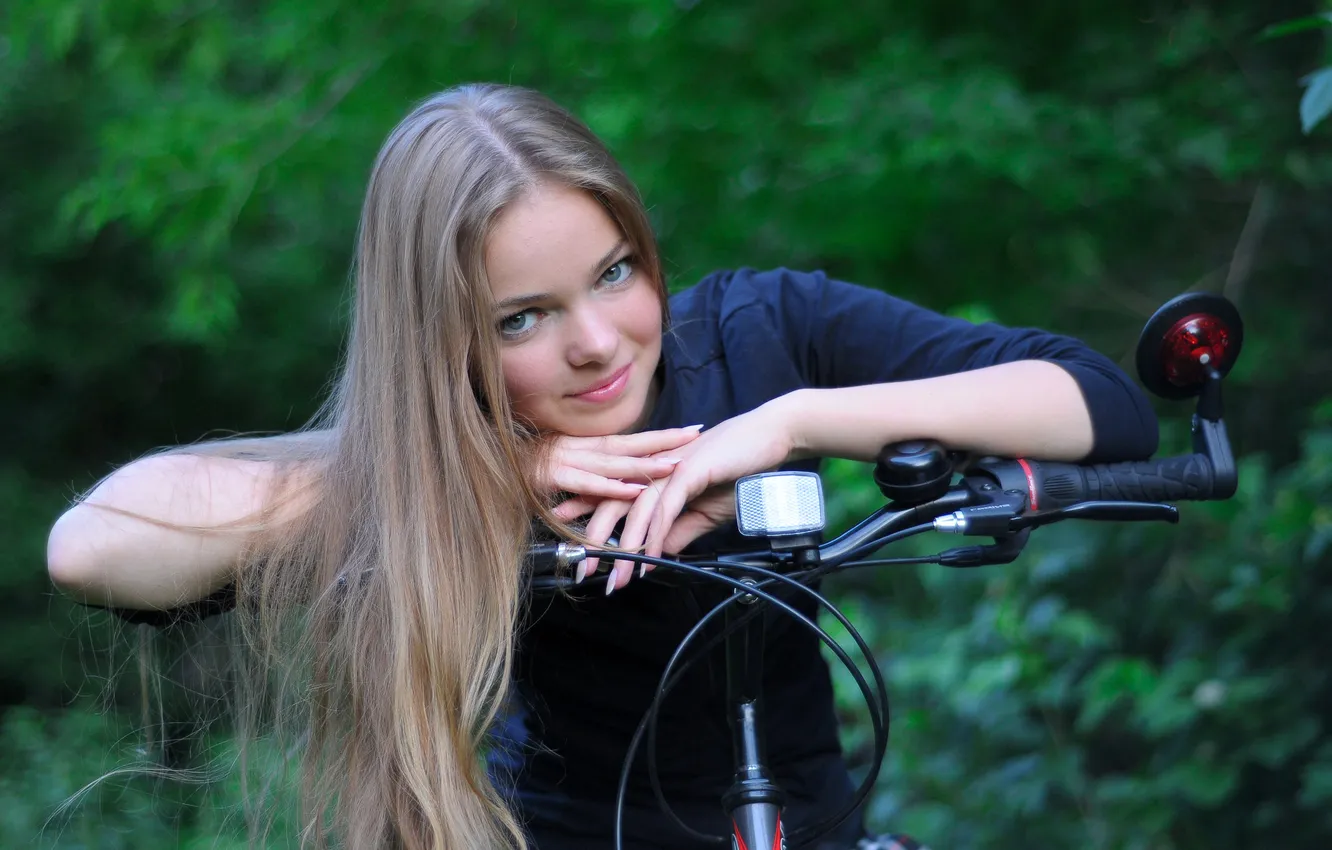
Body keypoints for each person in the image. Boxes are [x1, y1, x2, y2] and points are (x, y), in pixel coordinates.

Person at [45, 83, 1159, 849]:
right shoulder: (454, 436)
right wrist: (481, 481)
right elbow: (93, 543)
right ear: (445, 347)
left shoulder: (762, 333)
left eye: (617, 271)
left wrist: (794, 421)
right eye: (523, 317)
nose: (598, 340)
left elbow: (1102, 406)